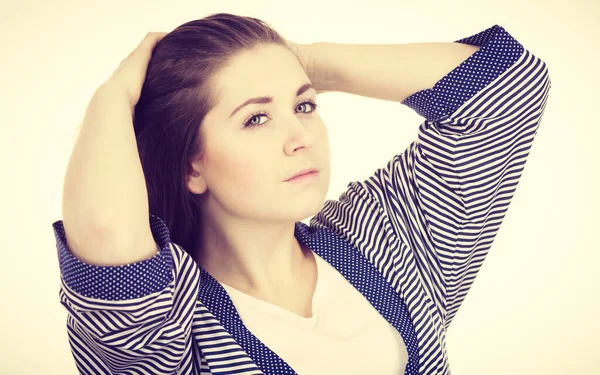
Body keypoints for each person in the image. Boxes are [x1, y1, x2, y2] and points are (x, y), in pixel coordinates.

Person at [53, 13, 551, 375]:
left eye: (305, 106)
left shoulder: (385, 244)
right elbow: (103, 229)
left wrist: (303, 62)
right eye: (257, 118)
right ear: (191, 167)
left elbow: (509, 87)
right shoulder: (172, 332)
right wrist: (115, 95)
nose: (302, 137)